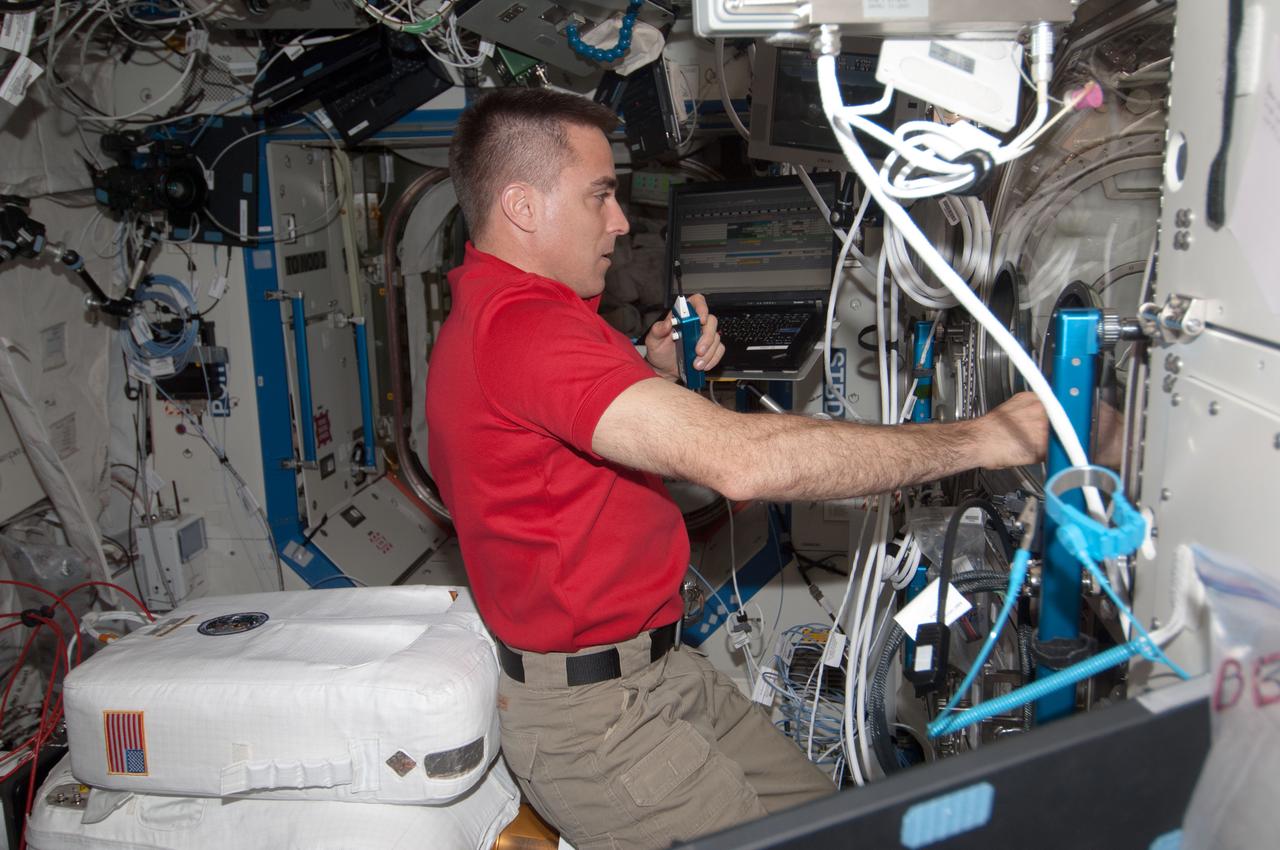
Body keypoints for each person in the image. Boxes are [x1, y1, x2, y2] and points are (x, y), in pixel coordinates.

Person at [426, 88, 1048, 850]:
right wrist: (984, 439)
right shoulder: (523, 328)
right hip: (601, 722)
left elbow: (558, 446)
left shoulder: (521, 312)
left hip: (659, 673)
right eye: (600, 195)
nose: (620, 223)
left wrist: (658, 377)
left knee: (837, 823)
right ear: (522, 206)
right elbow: (743, 462)